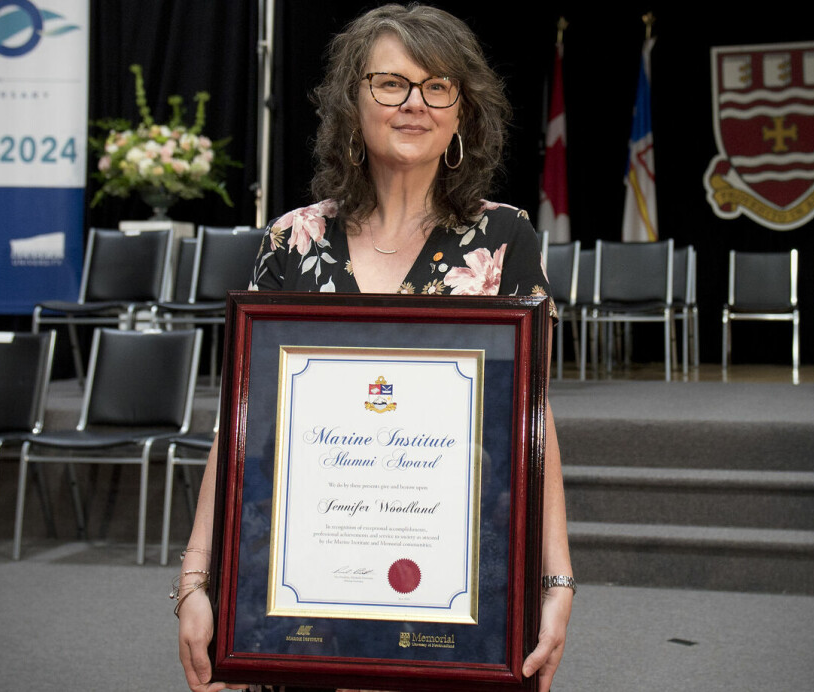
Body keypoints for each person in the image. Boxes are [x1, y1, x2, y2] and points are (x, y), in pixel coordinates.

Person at [176, 4, 574, 691]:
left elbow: (534, 423)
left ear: (461, 113)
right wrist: (195, 579)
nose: (414, 103)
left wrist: (558, 578)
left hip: (453, 583)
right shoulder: (291, 241)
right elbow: (238, 427)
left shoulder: (504, 240)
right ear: (351, 103)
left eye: (438, 85)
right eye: (390, 84)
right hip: (296, 585)